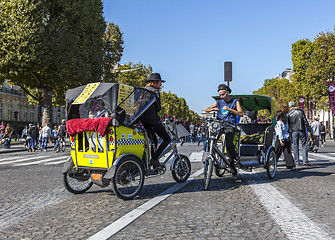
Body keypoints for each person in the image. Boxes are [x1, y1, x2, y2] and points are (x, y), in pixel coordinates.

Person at [205, 83, 243, 175]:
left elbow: (241, 114)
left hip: (230, 125)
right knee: (210, 138)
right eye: (220, 95)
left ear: (228, 92)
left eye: (223, 94)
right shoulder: (218, 102)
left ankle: (232, 160)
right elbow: (207, 109)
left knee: (229, 142)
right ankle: (212, 155)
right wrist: (212, 109)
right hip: (219, 124)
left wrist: (230, 109)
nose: (221, 96)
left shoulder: (235, 101)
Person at [139, 73, 171, 168]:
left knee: (154, 142)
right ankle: (154, 159)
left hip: (143, 122)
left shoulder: (142, 91)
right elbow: (158, 108)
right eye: (160, 83)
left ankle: (154, 163)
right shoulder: (155, 92)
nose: (161, 85)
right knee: (166, 139)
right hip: (153, 121)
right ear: (155, 82)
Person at [287, 101, 311, 166]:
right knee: (304, 145)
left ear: (289, 106)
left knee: (295, 146)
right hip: (302, 129)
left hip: (293, 131)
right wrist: (308, 129)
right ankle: (305, 160)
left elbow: (288, 124)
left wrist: (288, 131)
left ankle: (296, 161)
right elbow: (305, 121)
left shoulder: (288, 114)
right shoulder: (301, 111)